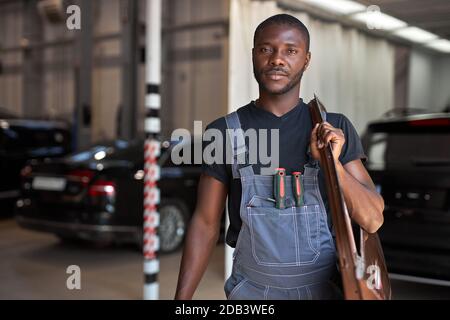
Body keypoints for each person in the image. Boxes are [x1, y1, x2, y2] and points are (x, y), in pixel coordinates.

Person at [174, 14, 384, 300]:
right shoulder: (224, 132)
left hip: (326, 290)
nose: (277, 59)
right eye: (266, 49)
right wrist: (181, 300)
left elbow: (372, 219)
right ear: (253, 56)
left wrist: (332, 164)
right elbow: (205, 223)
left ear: (306, 60)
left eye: (290, 50)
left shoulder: (334, 129)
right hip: (251, 292)